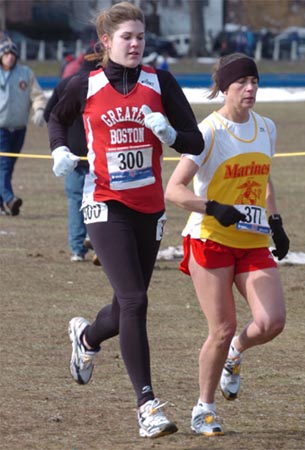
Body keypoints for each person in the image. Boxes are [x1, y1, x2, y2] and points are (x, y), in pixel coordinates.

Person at [47, 1, 204, 439]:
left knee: (124, 304)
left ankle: (87, 339)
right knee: (135, 301)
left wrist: (171, 136)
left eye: (140, 37)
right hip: (104, 202)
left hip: (149, 207)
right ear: (106, 43)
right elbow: (55, 118)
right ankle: (147, 405)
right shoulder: (84, 83)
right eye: (126, 37)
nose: (135, 44)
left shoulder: (160, 82)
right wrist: (60, 149)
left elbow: (195, 140)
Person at [165, 53, 290, 436]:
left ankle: (237, 352)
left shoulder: (266, 127)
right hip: (211, 239)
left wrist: (276, 222)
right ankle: (203, 408)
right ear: (224, 87)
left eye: (254, 81)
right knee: (221, 327)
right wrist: (212, 208)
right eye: (242, 83)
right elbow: (174, 189)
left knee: (271, 322)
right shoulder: (209, 132)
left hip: (251, 240)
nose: (250, 88)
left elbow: (264, 178)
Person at [43, 51, 101, 263]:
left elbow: (49, 115)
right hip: (100, 153)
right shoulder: (104, 86)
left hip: (72, 152)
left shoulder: (65, 84)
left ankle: (77, 249)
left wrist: (60, 143)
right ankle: (95, 240)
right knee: (102, 200)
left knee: (76, 200)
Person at [0, 36, 46, 216]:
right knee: (3, 165)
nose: (10, 57)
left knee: (8, 166)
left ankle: (1, 202)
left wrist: (39, 109)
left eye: (13, 54)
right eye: (6, 54)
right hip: (1, 128)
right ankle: (10, 200)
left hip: (19, 129)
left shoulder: (25, 73)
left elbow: (37, 95)